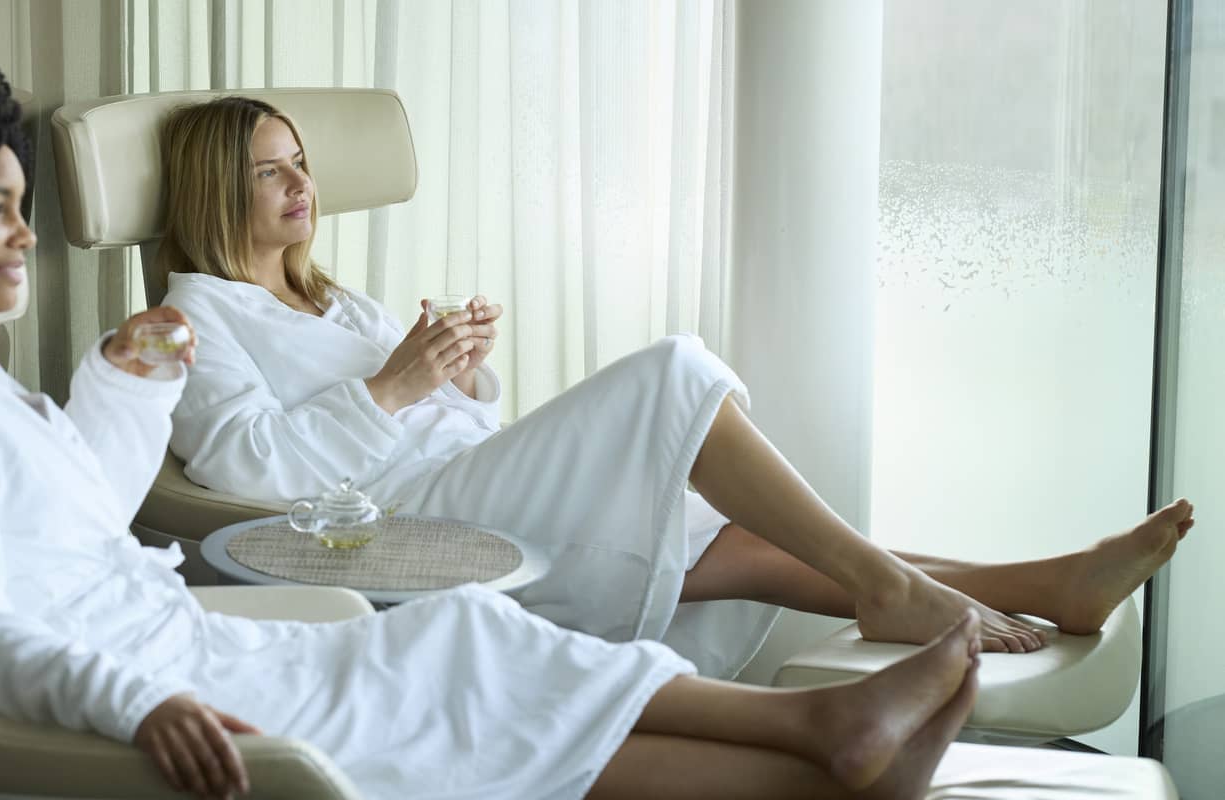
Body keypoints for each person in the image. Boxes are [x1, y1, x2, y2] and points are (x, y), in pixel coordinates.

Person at [0, 35, 988, 800]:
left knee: (473, 640)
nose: (25, 235)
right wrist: (136, 706)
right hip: (159, 671)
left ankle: (832, 734)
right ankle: (831, 727)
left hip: (180, 636)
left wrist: (126, 384)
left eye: (24, 204)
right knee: (463, 684)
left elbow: (77, 511)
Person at [157, 96, 1196, 671]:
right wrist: (393, 386)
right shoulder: (196, 317)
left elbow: (436, 409)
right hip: (399, 529)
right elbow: (246, 467)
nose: (302, 183)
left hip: (466, 479)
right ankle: (896, 588)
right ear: (214, 190)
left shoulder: (332, 300)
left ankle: (1041, 584)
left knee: (738, 542)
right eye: (270, 170)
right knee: (674, 373)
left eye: (300, 162)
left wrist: (456, 373)